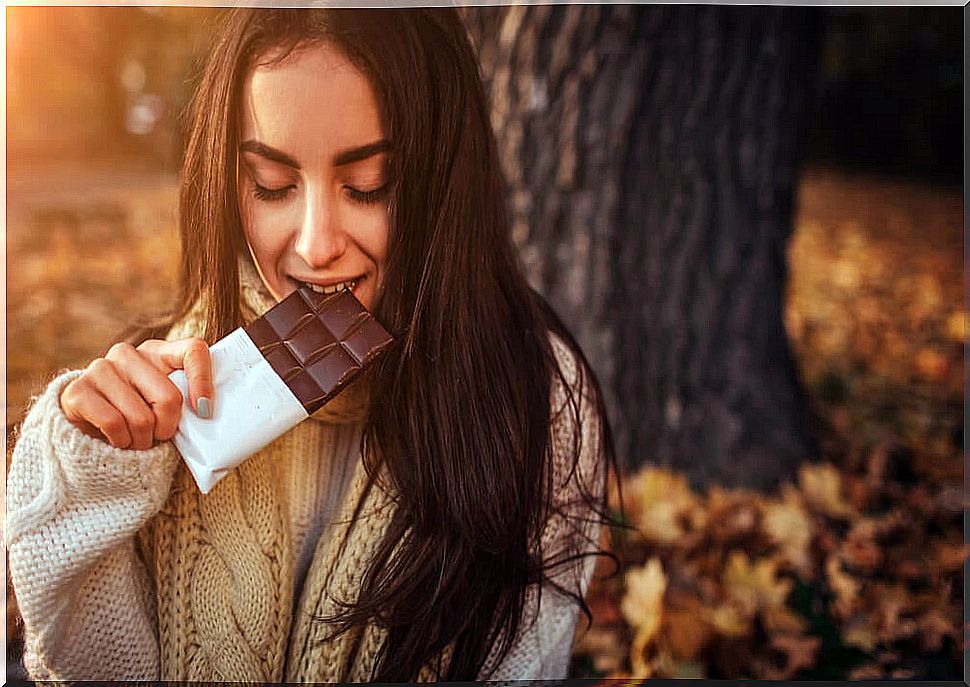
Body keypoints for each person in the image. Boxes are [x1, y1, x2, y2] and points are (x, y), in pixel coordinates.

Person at [6, 7, 615, 682]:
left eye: (368, 186)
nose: (316, 245)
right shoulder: (165, 390)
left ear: (445, 179)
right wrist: (88, 479)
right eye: (272, 185)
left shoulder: (535, 404)